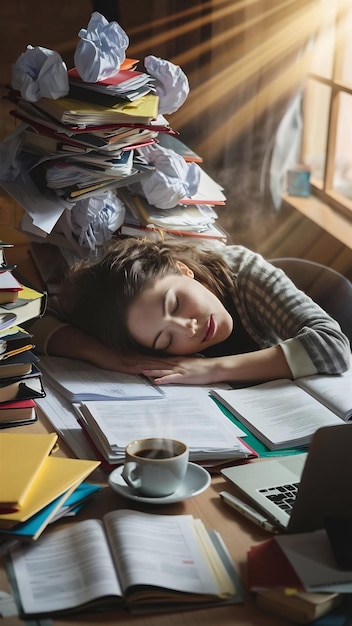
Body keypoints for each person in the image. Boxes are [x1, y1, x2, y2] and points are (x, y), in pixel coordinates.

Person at [29, 237, 351, 386]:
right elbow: (29, 319)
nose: (188, 329)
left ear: (183, 270)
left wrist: (212, 370)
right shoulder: (128, 327)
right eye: (165, 341)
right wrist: (108, 357)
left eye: (176, 303)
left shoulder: (243, 271)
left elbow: (333, 346)